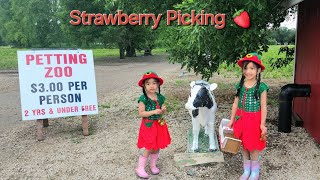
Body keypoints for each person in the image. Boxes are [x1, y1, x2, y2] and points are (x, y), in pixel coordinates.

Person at [227, 53, 268, 180]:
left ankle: (255, 173)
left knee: (254, 146)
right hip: (241, 119)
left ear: (258, 70)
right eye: (246, 68)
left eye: (252, 68)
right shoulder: (239, 85)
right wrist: (232, 120)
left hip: (254, 121)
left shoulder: (261, 87)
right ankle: (246, 171)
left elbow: (264, 106)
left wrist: (262, 124)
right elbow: (235, 104)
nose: (248, 71)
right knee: (243, 144)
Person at [135, 71, 171, 179]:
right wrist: (154, 112)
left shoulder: (160, 97)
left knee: (157, 145)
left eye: (154, 83)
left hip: (159, 124)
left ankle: (153, 165)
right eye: (148, 83)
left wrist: (163, 109)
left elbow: (163, 109)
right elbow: (141, 113)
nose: (151, 86)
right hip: (148, 125)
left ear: (158, 84)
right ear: (144, 86)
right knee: (149, 146)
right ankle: (140, 167)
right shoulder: (143, 99)